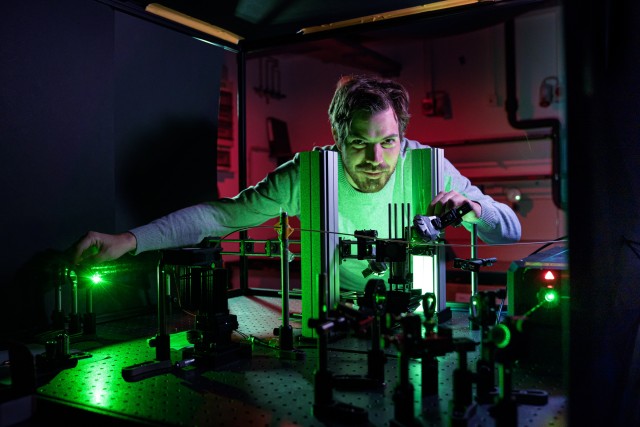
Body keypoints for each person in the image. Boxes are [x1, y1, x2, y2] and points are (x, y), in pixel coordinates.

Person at [69, 74, 521, 292]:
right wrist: (129, 240)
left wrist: (472, 208)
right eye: (360, 143)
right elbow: (221, 215)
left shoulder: (427, 167)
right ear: (337, 137)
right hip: (334, 314)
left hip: (422, 311)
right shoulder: (310, 175)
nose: (376, 159)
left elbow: (511, 229)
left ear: (401, 135)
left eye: (388, 141)